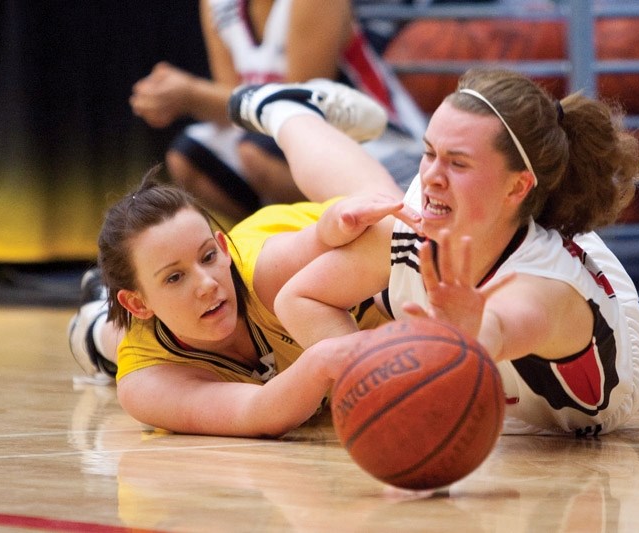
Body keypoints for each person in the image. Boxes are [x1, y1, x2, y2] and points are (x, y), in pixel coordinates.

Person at [234, 68, 639, 436]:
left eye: (458, 162)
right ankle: (287, 110)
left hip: (611, 345)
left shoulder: (543, 290)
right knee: (374, 205)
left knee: (387, 219)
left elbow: (497, 331)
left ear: (517, 185)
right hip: (486, 223)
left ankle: (291, 112)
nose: (432, 176)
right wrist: (369, 382)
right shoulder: (425, 215)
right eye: (429, 152)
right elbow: (301, 297)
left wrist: (462, 336)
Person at [68, 81, 422, 437]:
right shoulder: (146, 384)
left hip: (288, 239)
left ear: (223, 248)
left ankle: (286, 110)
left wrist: (336, 225)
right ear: (136, 301)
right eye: (175, 277)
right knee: (113, 339)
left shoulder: (268, 272)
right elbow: (254, 413)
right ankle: (97, 321)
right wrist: (325, 359)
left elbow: (319, 237)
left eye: (208, 257)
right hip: (152, 325)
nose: (207, 282)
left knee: (392, 215)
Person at [129, 0, 425, 222]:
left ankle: (371, 229)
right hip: (276, 136)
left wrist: (190, 94)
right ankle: (269, 243)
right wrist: (181, 95)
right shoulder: (217, 4)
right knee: (188, 157)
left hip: (382, 141)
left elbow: (297, 101)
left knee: (258, 152)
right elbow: (233, 105)